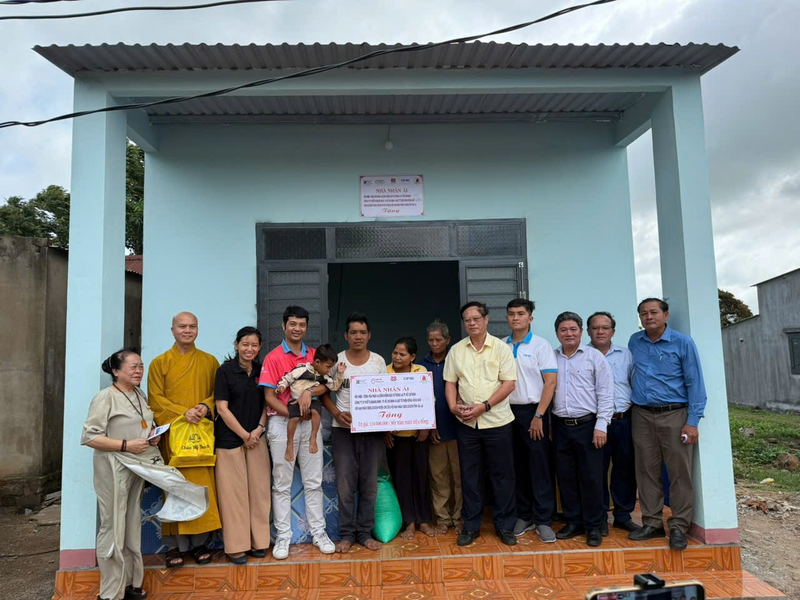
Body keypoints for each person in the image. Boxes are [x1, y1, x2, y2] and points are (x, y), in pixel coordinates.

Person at [82, 350, 207, 600]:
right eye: (133, 367)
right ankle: (110, 593)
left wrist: (152, 436)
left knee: (130, 524)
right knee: (113, 526)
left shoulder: (139, 394)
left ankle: (131, 583)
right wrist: (126, 445)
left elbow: (143, 424)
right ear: (116, 371)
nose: (139, 371)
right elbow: (90, 437)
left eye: (140, 366)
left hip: (137, 466)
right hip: (114, 466)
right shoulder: (105, 397)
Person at [627, 298, 707, 551]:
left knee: (679, 472)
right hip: (641, 415)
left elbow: (695, 383)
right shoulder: (634, 341)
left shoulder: (682, 343)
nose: (648, 317)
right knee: (646, 470)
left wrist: (692, 422)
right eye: (643, 313)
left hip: (674, 415)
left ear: (666, 315)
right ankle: (652, 522)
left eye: (654, 312)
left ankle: (679, 526)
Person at [259, 306, 336, 560]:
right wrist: (294, 412)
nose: (297, 328)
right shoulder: (272, 357)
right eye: (292, 324)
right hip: (283, 423)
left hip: (310, 423)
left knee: (314, 481)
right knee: (281, 483)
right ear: (284, 325)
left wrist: (308, 392)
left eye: (302, 324)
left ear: (306, 327)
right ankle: (283, 536)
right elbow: (270, 396)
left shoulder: (315, 355)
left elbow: (326, 386)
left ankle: (319, 533)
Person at [148, 311, 221, 568]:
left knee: (201, 487)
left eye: (192, 326)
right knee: (175, 487)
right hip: (174, 437)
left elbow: (218, 393)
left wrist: (204, 406)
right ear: (173, 330)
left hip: (200, 436)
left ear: (198, 330)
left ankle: (200, 543)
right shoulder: (159, 363)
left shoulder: (210, 362)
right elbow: (155, 400)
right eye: (182, 326)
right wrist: (183, 413)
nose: (187, 330)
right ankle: (174, 546)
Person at [443, 301, 518, 547]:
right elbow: (450, 382)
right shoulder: (456, 350)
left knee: (502, 475)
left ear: (486, 320)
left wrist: (484, 406)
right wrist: (453, 406)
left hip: (498, 422)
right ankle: (471, 526)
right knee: (470, 476)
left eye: (476, 318)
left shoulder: (501, 348)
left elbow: (509, 384)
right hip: (467, 424)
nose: (472, 323)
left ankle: (505, 525)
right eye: (467, 320)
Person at [321, 312, 387, 553]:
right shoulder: (336, 361)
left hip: (373, 432)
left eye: (362, 332)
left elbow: (387, 393)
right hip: (343, 431)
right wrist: (337, 414)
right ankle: (347, 534)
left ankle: (365, 533)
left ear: (369, 335)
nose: (358, 336)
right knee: (345, 484)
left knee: (369, 484)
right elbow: (323, 393)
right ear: (346, 336)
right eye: (353, 332)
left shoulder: (378, 362)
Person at [551, 312, 614, 547]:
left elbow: (606, 392)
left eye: (573, 329)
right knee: (566, 476)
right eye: (563, 330)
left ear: (581, 332)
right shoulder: (551, 357)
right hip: (560, 426)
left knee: (592, 478)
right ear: (557, 333)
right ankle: (574, 521)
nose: (568, 334)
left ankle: (594, 525)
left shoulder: (594, 357)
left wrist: (601, 425)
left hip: (588, 426)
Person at [213, 326, 271, 564]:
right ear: (236, 345)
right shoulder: (224, 371)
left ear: (260, 347)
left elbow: (268, 403)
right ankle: (236, 547)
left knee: (259, 492)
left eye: (254, 345)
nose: (250, 349)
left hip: (257, 438)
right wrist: (244, 435)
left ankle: (259, 542)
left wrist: (258, 430)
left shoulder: (262, 370)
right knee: (233, 496)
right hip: (229, 440)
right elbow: (222, 408)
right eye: (245, 344)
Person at [504, 299, 559, 543]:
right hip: (507, 413)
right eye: (511, 314)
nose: (516, 318)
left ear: (530, 318)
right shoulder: (502, 346)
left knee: (539, 466)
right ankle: (524, 515)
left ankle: (544, 519)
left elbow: (550, 382)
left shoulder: (540, 345)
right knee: (517, 466)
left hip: (534, 412)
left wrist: (539, 415)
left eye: (521, 313)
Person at [586, 311, 641, 536]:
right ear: (588, 331)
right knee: (596, 471)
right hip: (595, 423)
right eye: (595, 327)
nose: (600, 331)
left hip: (622, 419)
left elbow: (634, 383)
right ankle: (599, 517)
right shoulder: (583, 355)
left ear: (613, 331)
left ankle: (622, 515)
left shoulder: (626, 355)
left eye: (605, 327)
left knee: (624, 469)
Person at [384, 337, 434, 539]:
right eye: (395, 352)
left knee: (421, 477)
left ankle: (424, 520)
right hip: (396, 439)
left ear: (412, 357)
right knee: (402, 479)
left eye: (402, 354)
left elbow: (428, 400)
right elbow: (379, 404)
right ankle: (409, 522)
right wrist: (385, 430)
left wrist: (426, 426)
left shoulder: (421, 372)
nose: (397, 357)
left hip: (419, 435)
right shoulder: (384, 373)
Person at [419, 320, 462, 535]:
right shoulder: (420, 366)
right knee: (438, 476)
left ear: (448, 340)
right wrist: (430, 423)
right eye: (431, 340)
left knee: (460, 476)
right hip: (434, 431)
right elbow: (419, 400)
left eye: (439, 340)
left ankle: (460, 517)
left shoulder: (457, 361)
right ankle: (443, 518)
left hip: (459, 428)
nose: (435, 344)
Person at [276, 344, 345, 462]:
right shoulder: (302, 369)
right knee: (293, 418)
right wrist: (281, 386)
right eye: (328, 367)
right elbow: (288, 378)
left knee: (316, 412)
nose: (329, 370)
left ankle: (313, 436)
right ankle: (290, 443)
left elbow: (334, 387)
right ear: (317, 362)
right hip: (295, 400)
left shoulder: (325, 377)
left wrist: (339, 373)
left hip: (313, 401)